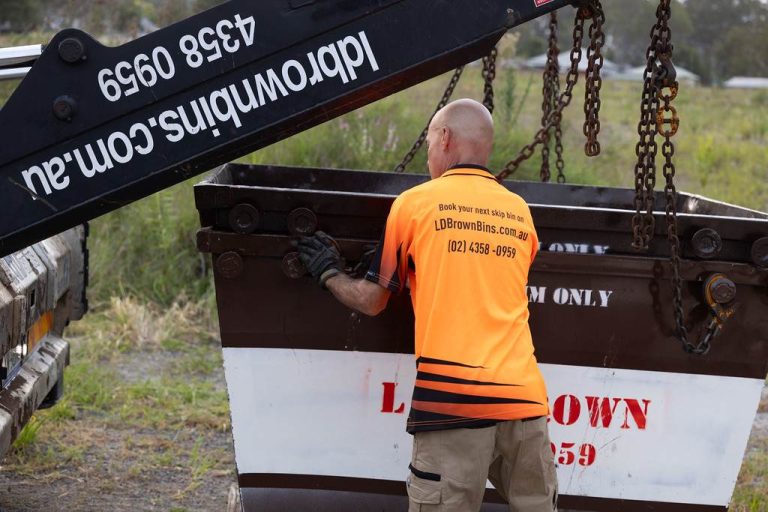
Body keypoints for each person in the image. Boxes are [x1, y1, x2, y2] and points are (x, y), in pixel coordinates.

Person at [295, 98, 557, 512]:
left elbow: (373, 301)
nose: (429, 154)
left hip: (453, 403)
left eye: (430, 142)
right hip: (525, 404)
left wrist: (329, 272)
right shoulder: (519, 213)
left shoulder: (415, 204)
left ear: (445, 138)